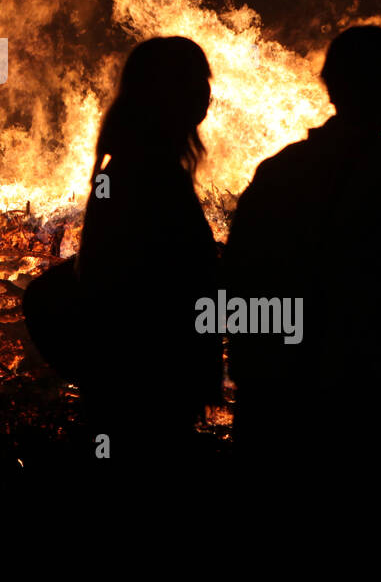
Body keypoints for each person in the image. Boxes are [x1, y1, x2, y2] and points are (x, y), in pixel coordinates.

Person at [226, 25, 381, 480]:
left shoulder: (279, 169)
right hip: (339, 391)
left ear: (330, 84)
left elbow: (238, 275)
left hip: (271, 389)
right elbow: (365, 283)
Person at [73, 37, 222, 472]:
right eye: (195, 82)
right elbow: (156, 283)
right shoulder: (147, 174)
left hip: (133, 380)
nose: (205, 95)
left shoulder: (133, 166)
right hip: (148, 384)